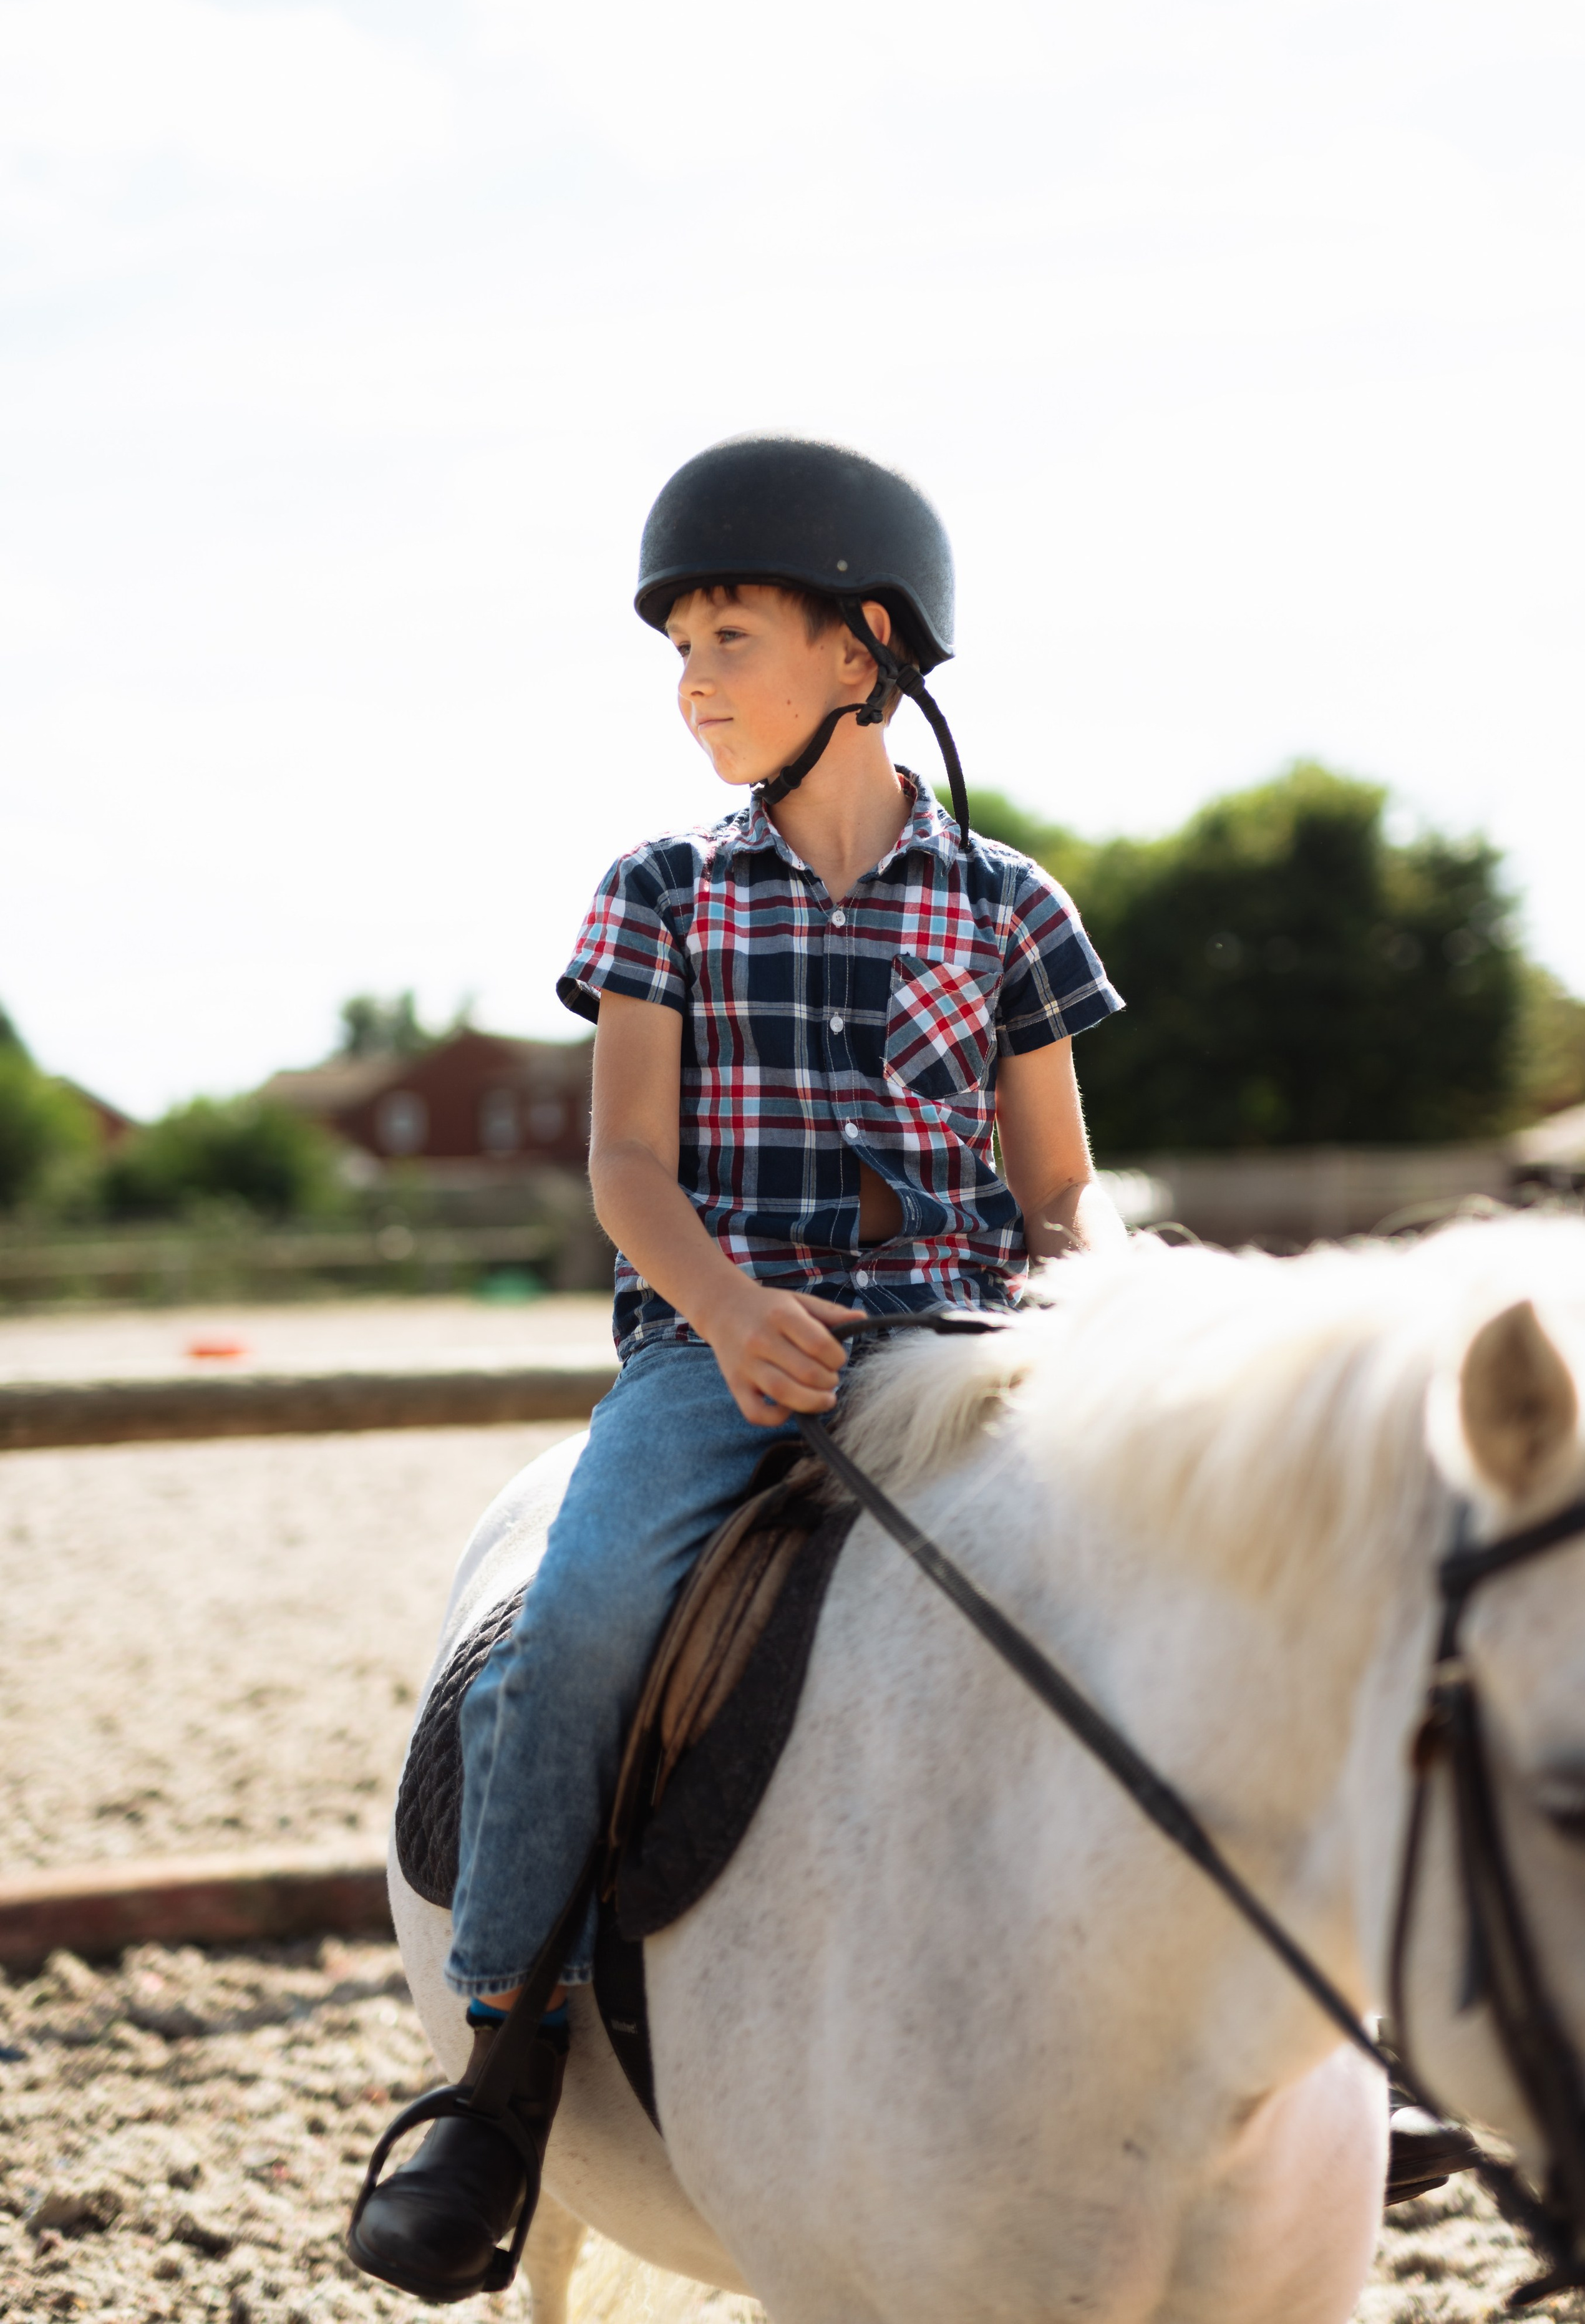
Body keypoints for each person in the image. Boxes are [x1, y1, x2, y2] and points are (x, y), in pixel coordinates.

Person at [347, 434, 1127, 2302]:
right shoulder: (658, 893)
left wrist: (1096, 1347)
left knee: (1181, 1583)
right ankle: (505, 2059)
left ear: (860, 656)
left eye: (728, 636)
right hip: (726, 1351)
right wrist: (721, 1310)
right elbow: (625, 1167)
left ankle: (1302, 2009)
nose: (689, 679)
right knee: (585, 1611)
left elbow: (1060, 1185)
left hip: (961, 1345)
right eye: (677, 645)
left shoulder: (1010, 905)